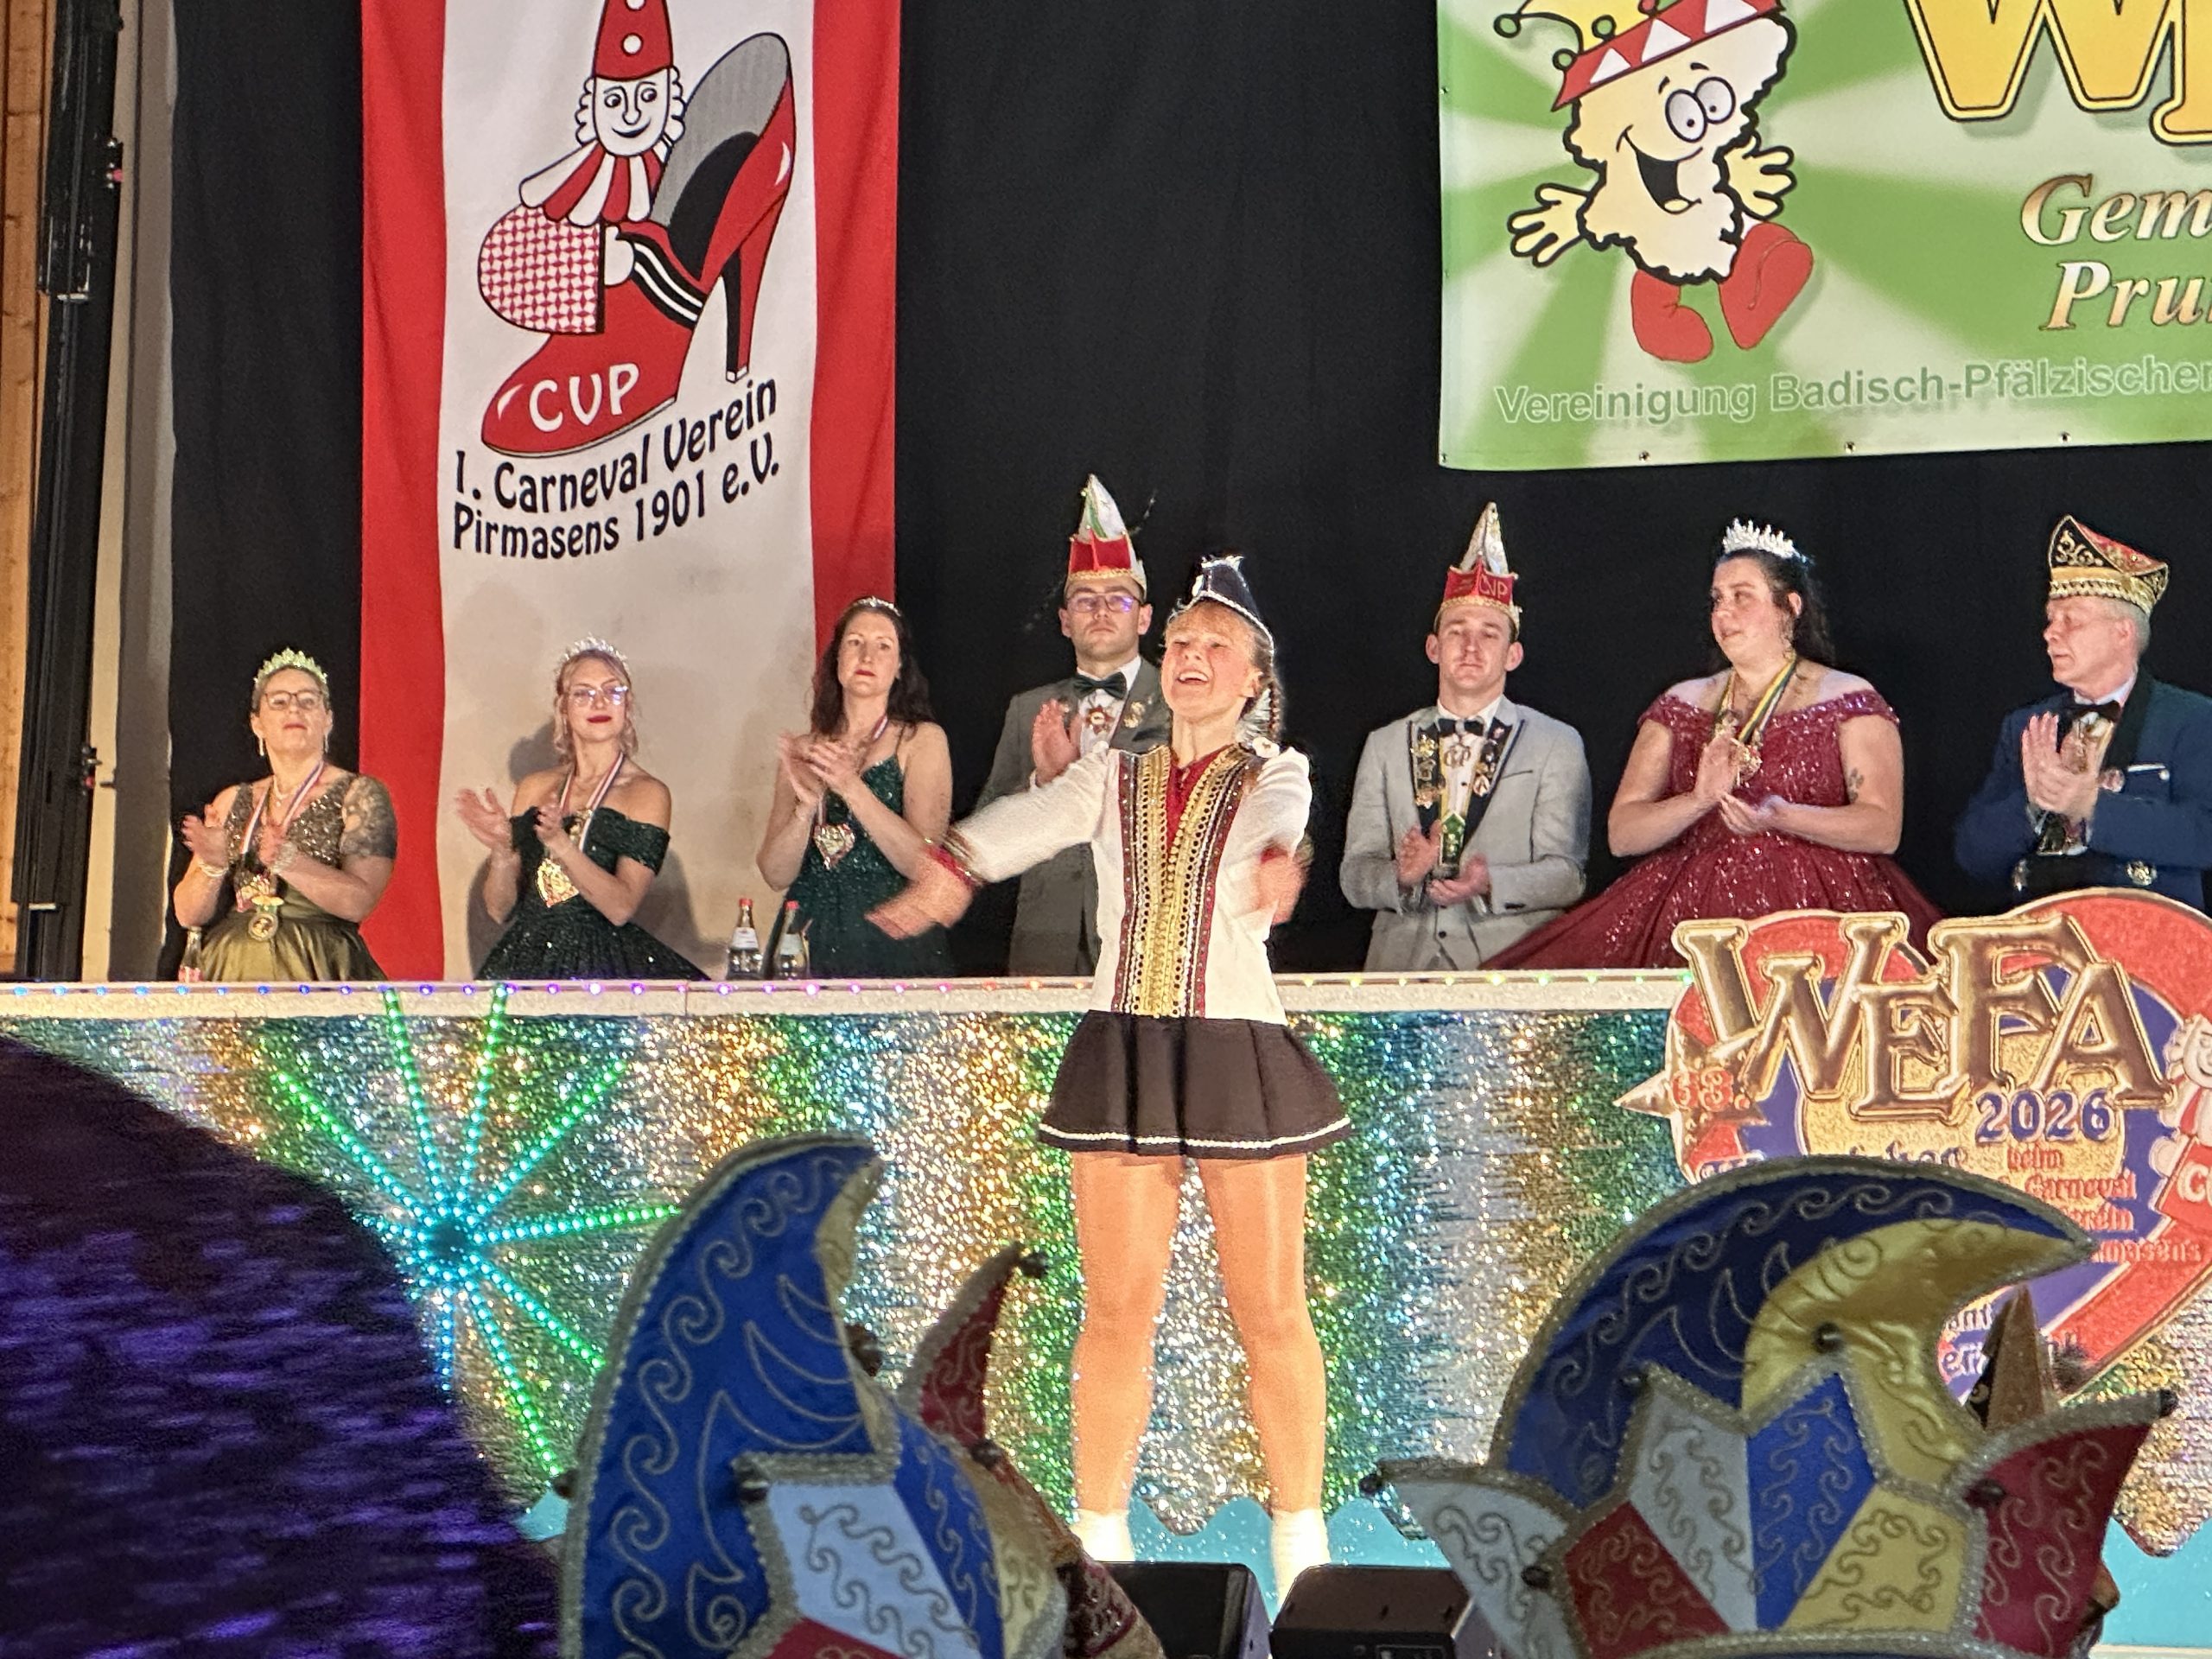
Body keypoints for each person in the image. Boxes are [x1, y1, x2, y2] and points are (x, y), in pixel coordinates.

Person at [871, 555, 1348, 1592]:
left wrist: (1282, 868)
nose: (1191, 657)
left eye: (1215, 646)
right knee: (1117, 1311)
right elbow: (1030, 822)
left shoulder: (1274, 771)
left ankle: (1302, 1551)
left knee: (1270, 1311)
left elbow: (1280, 830)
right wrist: (954, 869)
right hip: (1125, 1046)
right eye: (1180, 643)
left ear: (1253, 678)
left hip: (1235, 1046)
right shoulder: (1114, 773)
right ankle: (1101, 1549)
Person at [1491, 521, 1938, 969]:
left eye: (1742, 596)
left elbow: (1883, 828)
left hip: (1820, 913)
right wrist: (1698, 800)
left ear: (1790, 606)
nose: (1724, 612)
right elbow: (1623, 835)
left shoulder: (1847, 698)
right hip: (1690, 915)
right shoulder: (1681, 703)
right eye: (1717, 600)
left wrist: (1781, 816)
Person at [1341, 505, 1590, 969]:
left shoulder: (1556, 743)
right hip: (1400, 967)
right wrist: (1401, 875)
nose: (1471, 647)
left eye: (1489, 634)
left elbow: (1568, 875)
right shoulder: (1385, 744)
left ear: (1513, 655)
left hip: (1510, 963)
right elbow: (1354, 874)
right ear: (1433, 647)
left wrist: (1490, 881)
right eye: (1457, 632)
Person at [1955, 516, 2212, 911]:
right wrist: (2033, 805)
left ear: (2122, 633)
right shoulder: (2026, 726)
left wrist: (2093, 806)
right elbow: (1973, 854)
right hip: (2041, 932)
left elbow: (2204, 835)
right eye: (2050, 619)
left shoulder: (2190, 720)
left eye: (2071, 620)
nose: (2050, 633)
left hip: (2149, 934)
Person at [978, 475, 1172, 975]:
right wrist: (1042, 783)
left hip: (1148, 942)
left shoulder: (1179, 704)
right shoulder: (1028, 709)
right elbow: (990, 829)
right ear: (1065, 621)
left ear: (1144, 618)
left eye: (1119, 599)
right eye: (1086, 600)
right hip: (1047, 942)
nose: (1101, 610)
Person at [456, 639, 704, 980]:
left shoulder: (646, 793)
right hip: (528, 960)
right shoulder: (534, 787)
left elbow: (620, 908)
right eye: (583, 693)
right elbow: (500, 909)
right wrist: (502, 852)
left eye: (612, 691)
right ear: (564, 708)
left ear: (627, 704)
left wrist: (561, 845)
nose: (599, 702)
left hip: (601, 965)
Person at [757, 596, 956, 977]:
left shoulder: (920, 740)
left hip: (891, 932)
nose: (867, 656)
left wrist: (851, 787)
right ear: (837, 659)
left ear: (900, 666)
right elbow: (775, 874)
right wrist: (805, 809)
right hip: (810, 930)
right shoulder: (805, 750)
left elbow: (925, 866)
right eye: (855, 642)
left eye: (883, 646)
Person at [175, 650, 397, 982]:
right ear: (257, 723)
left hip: (316, 964)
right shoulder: (233, 799)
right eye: (279, 702)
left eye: (308, 701)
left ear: (328, 719)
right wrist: (212, 866)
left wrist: (289, 861)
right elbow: (188, 914)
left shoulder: (359, 795)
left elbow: (359, 903)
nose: (294, 709)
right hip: (233, 969)